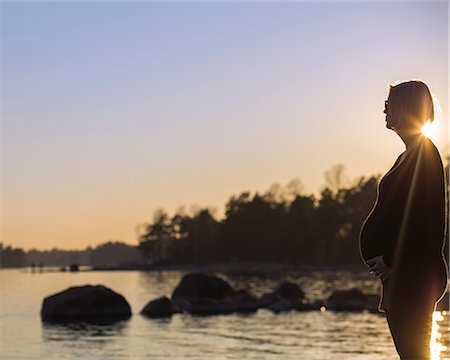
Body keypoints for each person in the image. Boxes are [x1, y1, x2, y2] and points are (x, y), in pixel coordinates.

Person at [359, 80, 448, 359]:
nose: (384, 111)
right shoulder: (409, 154)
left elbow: (426, 222)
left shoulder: (424, 153)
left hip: (413, 276)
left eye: (390, 105)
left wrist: (393, 261)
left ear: (407, 108)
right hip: (403, 277)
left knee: (415, 355)